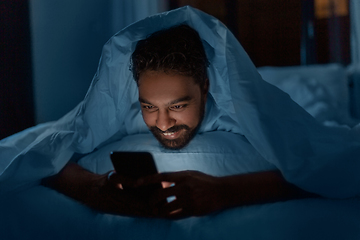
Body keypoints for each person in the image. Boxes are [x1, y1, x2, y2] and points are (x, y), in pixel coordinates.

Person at [1, 6, 359, 220]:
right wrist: (94, 189)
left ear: (205, 86)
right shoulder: (119, 113)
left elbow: (333, 160)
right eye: (149, 107)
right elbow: (42, 150)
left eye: (178, 105)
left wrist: (228, 191)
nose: (162, 123)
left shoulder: (241, 111)